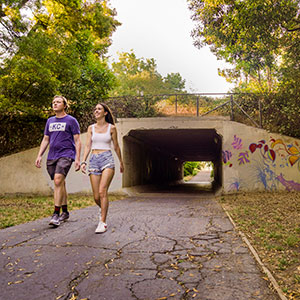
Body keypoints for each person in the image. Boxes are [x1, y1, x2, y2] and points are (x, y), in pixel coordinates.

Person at [35, 95, 81, 227]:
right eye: (53, 102)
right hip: (52, 156)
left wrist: (77, 158)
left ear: (65, 105)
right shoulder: (50, 121)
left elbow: (77, 140)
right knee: (60, 183)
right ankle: (65, 211)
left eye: (58, 102)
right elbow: (46, 139)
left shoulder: (71, 120)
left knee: (57, 180)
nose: (55, 104)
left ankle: (56, 214)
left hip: (66, 154)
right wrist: (39, 155)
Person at [80, 103, 124, 233]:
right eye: (95, 109)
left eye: (99, 109)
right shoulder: (90, 128)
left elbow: (116, 146)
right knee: (96, 197)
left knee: (102, 191)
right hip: (93, 160)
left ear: (105, 113)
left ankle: (102, 222)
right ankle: (103, 208)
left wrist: (121, 162)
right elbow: (88, 145)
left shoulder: (112, 128)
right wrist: (83, 161)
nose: (96, 111)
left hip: (107, 159)